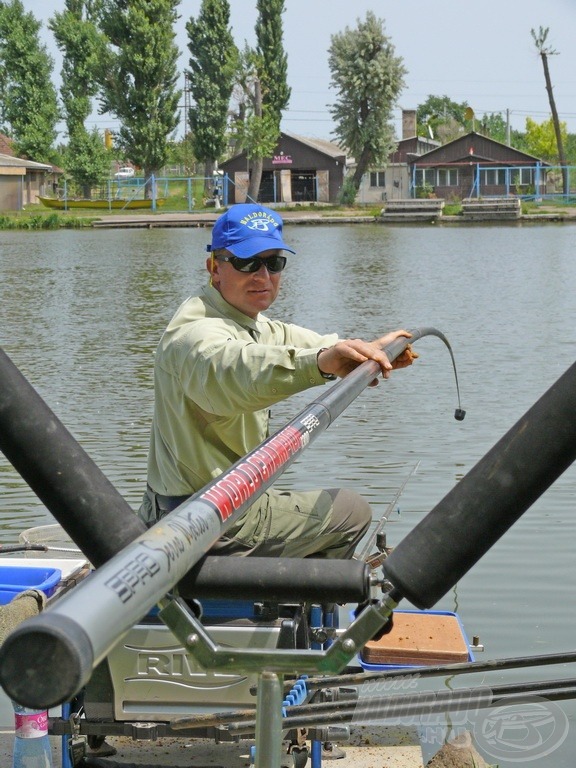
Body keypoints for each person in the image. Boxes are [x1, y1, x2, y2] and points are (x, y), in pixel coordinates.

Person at [139, 203, 416, 560]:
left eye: (274, 263)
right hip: (207, 520)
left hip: (194, 508)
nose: (262, 275)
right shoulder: (196, 337)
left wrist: (365, 351)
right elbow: (239, 371)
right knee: (352, 510)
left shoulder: (247, 320)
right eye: (247, 262)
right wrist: (320, 364)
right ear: (214, 268)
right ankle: (291, 599)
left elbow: (303, 345)